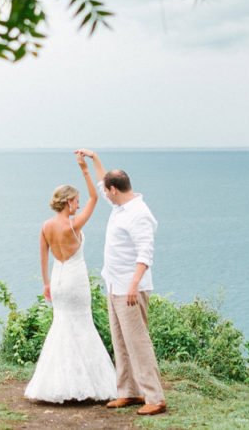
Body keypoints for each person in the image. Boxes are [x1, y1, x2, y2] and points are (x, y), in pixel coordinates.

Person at [75, 148, 167, 416]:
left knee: (138, 342)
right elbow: (104, 179)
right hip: (114, 284)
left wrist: (133, 285)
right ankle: (130, 392)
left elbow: (145, 253)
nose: (105, 193)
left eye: (107, 190)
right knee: (121, 342)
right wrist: (94, 160)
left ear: (115, 190)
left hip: (130, 288)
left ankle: (155, 397)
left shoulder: (139, 214)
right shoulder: (120, 203)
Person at [23, 153, 117, 403]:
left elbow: (43, 257)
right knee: (82, 325)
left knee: (61, 326)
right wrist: (85, 169)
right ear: (67, 202)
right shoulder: (73, 226)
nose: (79, 204)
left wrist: (45, 284)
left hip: (57, 279)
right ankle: (86, 384)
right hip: (75, 280)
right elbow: (96, 198)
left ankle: (56, 384)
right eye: (76, 201)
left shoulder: (46, 226)